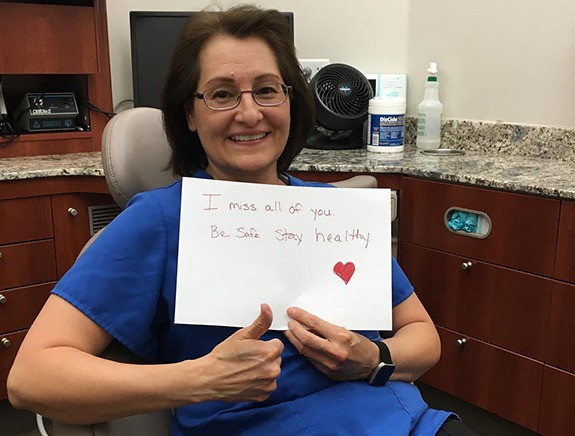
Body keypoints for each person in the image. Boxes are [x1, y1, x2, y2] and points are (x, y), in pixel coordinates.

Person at [8, 5, 477, 435]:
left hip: (407, 421)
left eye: (267, 90)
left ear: (291, 101)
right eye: (222, 94)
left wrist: (374, 357)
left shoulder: (331, 213)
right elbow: (31, 378)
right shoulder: (159, 219)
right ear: (190, 114)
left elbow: (424, 337)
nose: (249, 113)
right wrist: (200, 379)